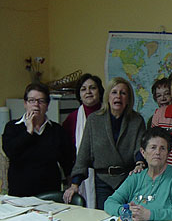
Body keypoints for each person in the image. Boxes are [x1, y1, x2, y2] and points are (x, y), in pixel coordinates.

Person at [63, 77, 146, 209]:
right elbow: (84, 154)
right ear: (107, 96)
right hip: (103, 181)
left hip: (128, 180)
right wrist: (74, 185)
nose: (118, 96)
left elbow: (140, 148)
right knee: (105, 220)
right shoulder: (94, 120)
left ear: (128, 99)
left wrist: (140, 163)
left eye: (123, 93)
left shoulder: (136, 121)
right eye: (114, 92)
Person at [104, 127, 172, 221]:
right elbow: (109, 202)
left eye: (162, 148)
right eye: (153, 147)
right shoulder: (136, 176)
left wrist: (150, 215)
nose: (157, 152)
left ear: (168, 154)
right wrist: (124, 210)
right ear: (143, 153)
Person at [2, 83, 74, 197]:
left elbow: (67, 162)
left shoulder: (57, 130)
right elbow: (11, 152)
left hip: (50, 194)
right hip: (20, 194)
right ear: (25, 104)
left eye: (41, 101)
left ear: (47, 105)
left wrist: (72, 186)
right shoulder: (12, 127)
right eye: (31, 100)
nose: (36, 105)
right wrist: (28, 132)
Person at [62, 73, 105, 207]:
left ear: (100, 91)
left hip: (105, 176)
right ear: (79, 94)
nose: (88, 92)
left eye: (92, 88)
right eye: (83, 89)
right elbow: (66, 151)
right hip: (81, 177)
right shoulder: (72, 119)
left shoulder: (109, 114)